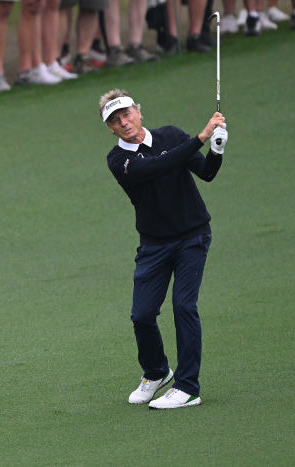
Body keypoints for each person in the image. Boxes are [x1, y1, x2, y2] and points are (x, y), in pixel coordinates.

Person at [100, 88, 227, 410]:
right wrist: (200, 137)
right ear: (110, 129)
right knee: (142, 316)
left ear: (139, 112)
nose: (124, 122)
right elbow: (156, 167)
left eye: (127, 114)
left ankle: (188, 387)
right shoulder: (118, 160)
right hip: (154, 245)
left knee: (184, 306)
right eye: (115, 120)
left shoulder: (171, 135)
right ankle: (157, 372)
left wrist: (216, 149)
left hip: (192, 237)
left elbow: (207, 174)